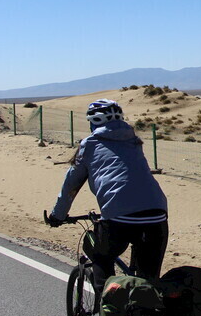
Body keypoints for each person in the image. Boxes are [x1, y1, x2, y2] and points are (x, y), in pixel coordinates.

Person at [45, 99, 168, 294]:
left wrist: (57, 216)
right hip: (158, 214)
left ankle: (107, 306)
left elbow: (71, 184)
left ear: (93, 122)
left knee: (100, 254)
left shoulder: (90, 144)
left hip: (119, 217)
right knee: (149, 282)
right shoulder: (134, 141)